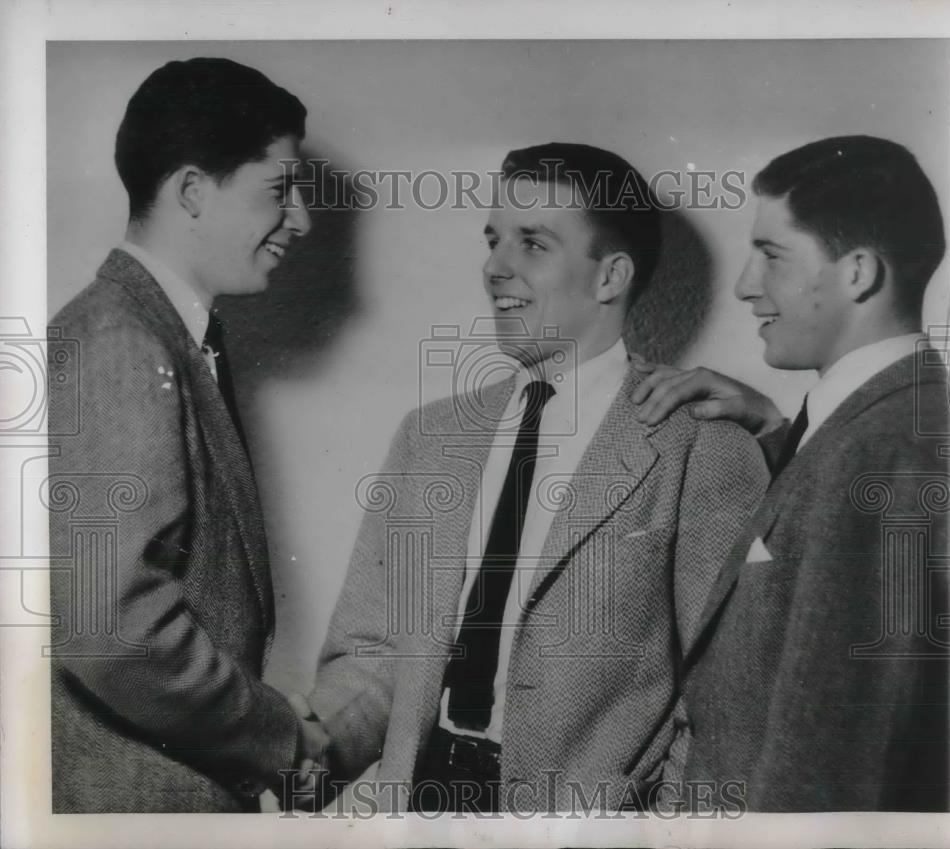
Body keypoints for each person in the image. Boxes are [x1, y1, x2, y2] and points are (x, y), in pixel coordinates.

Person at [303, 143, 768, 814]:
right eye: (494, 240)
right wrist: (305, 741)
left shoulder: (704, 449)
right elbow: (374, 651)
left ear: (610, 277)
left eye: (533, 244)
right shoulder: (429, 437)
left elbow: (725, 704)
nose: (495, 267)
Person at [632, 135, 950, 811]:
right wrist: (778, 431)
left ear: (858, 272)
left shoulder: (884, 454)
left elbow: (835, 769)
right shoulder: (878, 426)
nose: (747, 286)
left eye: (772, 255)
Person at [47, 57, 326, 812]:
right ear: (193, 192)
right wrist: (277, 730)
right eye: (279, 190)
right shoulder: (121, 341)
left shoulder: (160, 333)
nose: (300, 218)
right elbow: (110, 629)